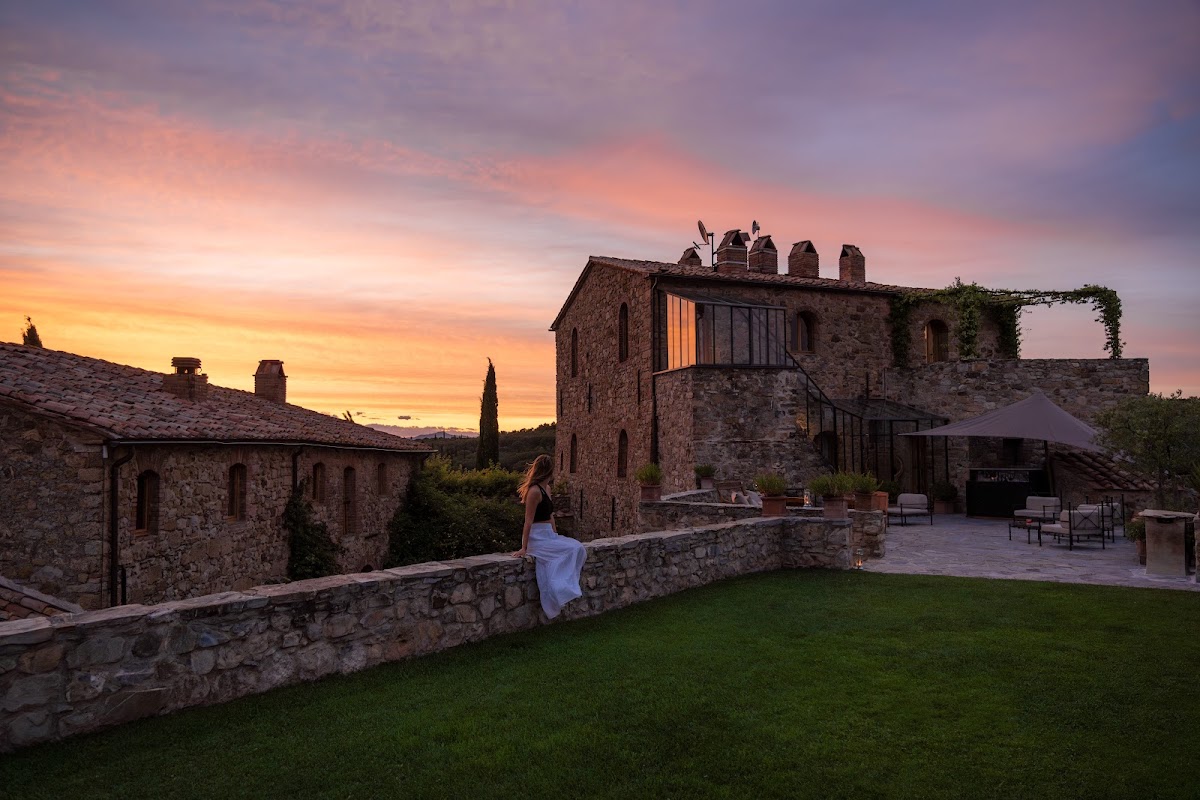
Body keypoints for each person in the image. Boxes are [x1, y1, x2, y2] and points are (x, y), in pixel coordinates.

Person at [511, 454, 587, 619]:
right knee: (574, 549)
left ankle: (561, 588)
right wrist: (524, 547)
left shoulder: (547, 489)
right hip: (537, 537)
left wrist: (555, 534)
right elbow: (528, 522)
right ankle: (558, 589)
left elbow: (551, 515)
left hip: (548, 535)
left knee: (579, 548)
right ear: (549, 471)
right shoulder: (534, 492)